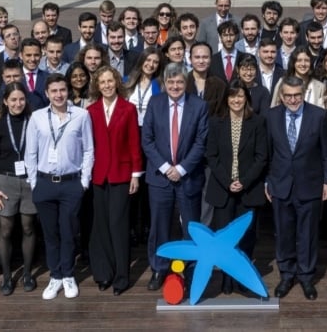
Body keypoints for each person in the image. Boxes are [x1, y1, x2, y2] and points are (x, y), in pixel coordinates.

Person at [25, 73, 95, 300]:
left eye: (62, 90)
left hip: (70, 184)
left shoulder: (81, 115)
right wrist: (35, 183)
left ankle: (68, 274)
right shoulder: (37, 117)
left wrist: (84, 182)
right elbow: (31, 153)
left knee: (68, 232)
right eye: (53, 91)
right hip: (45, 183)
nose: (58, 95)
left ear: (68, 91)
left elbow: (88, 150)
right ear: (46, 94)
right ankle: (55, 276)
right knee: (50, 233)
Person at [266, 75, 327, 300]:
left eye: (297, 95)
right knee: (284, 234)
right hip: (281, 185)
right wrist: (268, 181)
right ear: (282, 95)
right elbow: (268, 153)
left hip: (310, 185)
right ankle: (286, 275)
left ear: (303, 94)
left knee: (307, 234)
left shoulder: (318, 116)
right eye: (288, 96)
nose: (293, 100)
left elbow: (326, 153)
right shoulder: (272, 116)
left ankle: (306, 277)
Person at [141, 63, 209, 290]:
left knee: (190, 227)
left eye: (179, 81)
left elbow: (201, 143)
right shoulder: (155, 102)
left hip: (187, 177)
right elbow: (147, 139)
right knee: (159, 226)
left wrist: (180, 169)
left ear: (186, 83)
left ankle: (188, 270)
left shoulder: (198, 106)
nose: (175, 86)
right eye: (170, 82)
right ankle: (159, 268)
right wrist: (164, 166)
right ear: (165, 83)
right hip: (159, 178)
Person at [204, 84, 269, 294]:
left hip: (248, 189)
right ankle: (226, 277)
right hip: (223, 188)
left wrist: (244, 181)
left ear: (246, 98)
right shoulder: (215, 123)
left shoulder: (258, 122)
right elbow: (211, 156)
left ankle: (242, 276)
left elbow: (262, 157)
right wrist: (228, 181)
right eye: (232, 97)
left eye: (240, 96)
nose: (236, 100)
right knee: (224, 236)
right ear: (226, 99)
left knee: (247, 236)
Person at [87, 68, 142, 295]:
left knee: (118, 226)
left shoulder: (128, 109)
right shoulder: (90, 111)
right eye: (103, 82)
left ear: (117, 82)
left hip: (122, 174)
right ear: (97, 86)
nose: (107, 85)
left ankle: (121, 277)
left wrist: (136, 175)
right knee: (101, 227)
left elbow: (134, 143)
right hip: (99, 175)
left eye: (110, 81)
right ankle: (104, 274)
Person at [0, 83, 39, 295]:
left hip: (29, 181)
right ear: (5, 101)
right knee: (6, 230)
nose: (18, 103)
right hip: (5, 182)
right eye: (13, 100)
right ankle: (7, 277)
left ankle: (27, 273)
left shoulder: (34, 122)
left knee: (28, 228)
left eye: (21, 99)